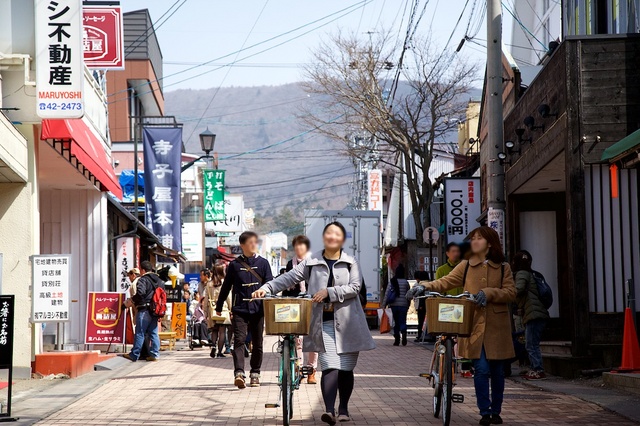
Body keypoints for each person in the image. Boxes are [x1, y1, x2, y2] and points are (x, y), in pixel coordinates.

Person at [253, 222, 376, 425]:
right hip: (322, 322)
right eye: (329, 233)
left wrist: (330, 292)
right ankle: (329, 410)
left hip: (348, 323)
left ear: (342, 238)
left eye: (337, 234)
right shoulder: (312, 261)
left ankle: (343, 408)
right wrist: (267, 288)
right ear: (324, 237)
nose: (332, 237)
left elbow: (355, 287)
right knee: (329, 365)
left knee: (346, 368)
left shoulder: (351, 261)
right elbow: (289, 277)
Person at [407, 227, 516, 426]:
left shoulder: (503, 267)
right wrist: (424, 286)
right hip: (473, 325)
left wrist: (489, 293)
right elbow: (445, 281)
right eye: (473, 238)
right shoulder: (466, 265)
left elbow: (510, 292)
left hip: (497, 328)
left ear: (490, 243)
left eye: (479, 238)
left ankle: (496, 410)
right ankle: (485, 411)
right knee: (481, 369)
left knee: (498, 372)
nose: (474, 241)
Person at [216, 231, 273, 389]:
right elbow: (226, 286)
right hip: (240, 308)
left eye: (255, 242)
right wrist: (219, 306)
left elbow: (271, 284)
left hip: (258, 308)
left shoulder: (263, 263)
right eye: (250, 242)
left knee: (258, 342)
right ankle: (239, 373)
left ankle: (255, 373)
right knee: (239, 340)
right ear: (242, 245)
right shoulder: (234, 265)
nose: (254, 245)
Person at [283, 235, 318, 384]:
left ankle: (311, 371)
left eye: (301, 245)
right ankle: (298, 369)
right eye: (296, 246)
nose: (298, 248)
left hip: (313, 303)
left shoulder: (314, 263)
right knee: (298, 339)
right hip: (296, 304)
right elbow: (286, 283)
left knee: (313, 339)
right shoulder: (291, 264)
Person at [512, 250, 549, 381]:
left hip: (533, 313)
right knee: (532, 343)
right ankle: (535, 368)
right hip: (536, 312)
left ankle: (538, 370)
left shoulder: (522, 273)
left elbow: (519, 289)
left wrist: (506, 293)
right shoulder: (532, 273)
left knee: (531, 344)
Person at [123, 261, 164, 362]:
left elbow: (140, 293)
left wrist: (129, 302)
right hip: (155, 310)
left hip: (144, 309)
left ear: (143, 270)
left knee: (140, 332)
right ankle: (154, 354)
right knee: (153, 333)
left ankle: (134, 354)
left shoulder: (143, 279)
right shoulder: (159, 281)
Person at [206, 265, 232, 358]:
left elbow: (206, 299)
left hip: (212, 309)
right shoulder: (224, 282)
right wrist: (231, 309)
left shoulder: (209, 284)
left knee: (214, 330)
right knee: (222, 331)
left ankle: (213, 346)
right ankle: (219, 352)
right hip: (223, 309)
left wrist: (205, 312)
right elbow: (228, 297)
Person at [381, 265, 410, 346]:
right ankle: (404, 333)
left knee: (396, 322)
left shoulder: (392, 281)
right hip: (403, 305)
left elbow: (387, 294)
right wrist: (408, 304)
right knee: (403, 321)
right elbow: (409, 295)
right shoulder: (405, 282)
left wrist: (384, 305)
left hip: (393, 305)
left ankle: (397, 339)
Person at [413, 271, 430, 342]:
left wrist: (420, 305)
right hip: (430, 305)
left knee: (421, 321)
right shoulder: (431, 283)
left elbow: (421, 296)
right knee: (429, 321)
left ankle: (420, 336)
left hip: (422, 305)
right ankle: (430, 336)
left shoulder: (421, 284)